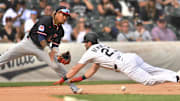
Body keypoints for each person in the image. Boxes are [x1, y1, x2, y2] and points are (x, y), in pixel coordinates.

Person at [0, 6, 82, 94]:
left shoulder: (61, 31)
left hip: (42, 49)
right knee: (4, 58)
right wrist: (49, 51)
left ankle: (74, 88)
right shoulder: (46, 20)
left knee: (57, 66)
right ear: (56, 14)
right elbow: (41, 38)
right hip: (28, 43)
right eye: (63, 15)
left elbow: (55, 45)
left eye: (67, 16)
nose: (65, 18)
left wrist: (57, 55)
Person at [53, 32, 180, 88]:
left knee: (148, 81)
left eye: (85, 42)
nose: (84, 44)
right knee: (154, 71)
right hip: (131, 57)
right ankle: (176, 75)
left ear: (90, 42)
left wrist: (63, 79)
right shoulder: (101, 46)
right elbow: (94, 68)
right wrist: (81, 79)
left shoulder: (90, 51)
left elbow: (76, 68)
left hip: (124, 64)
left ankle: (176, 78)